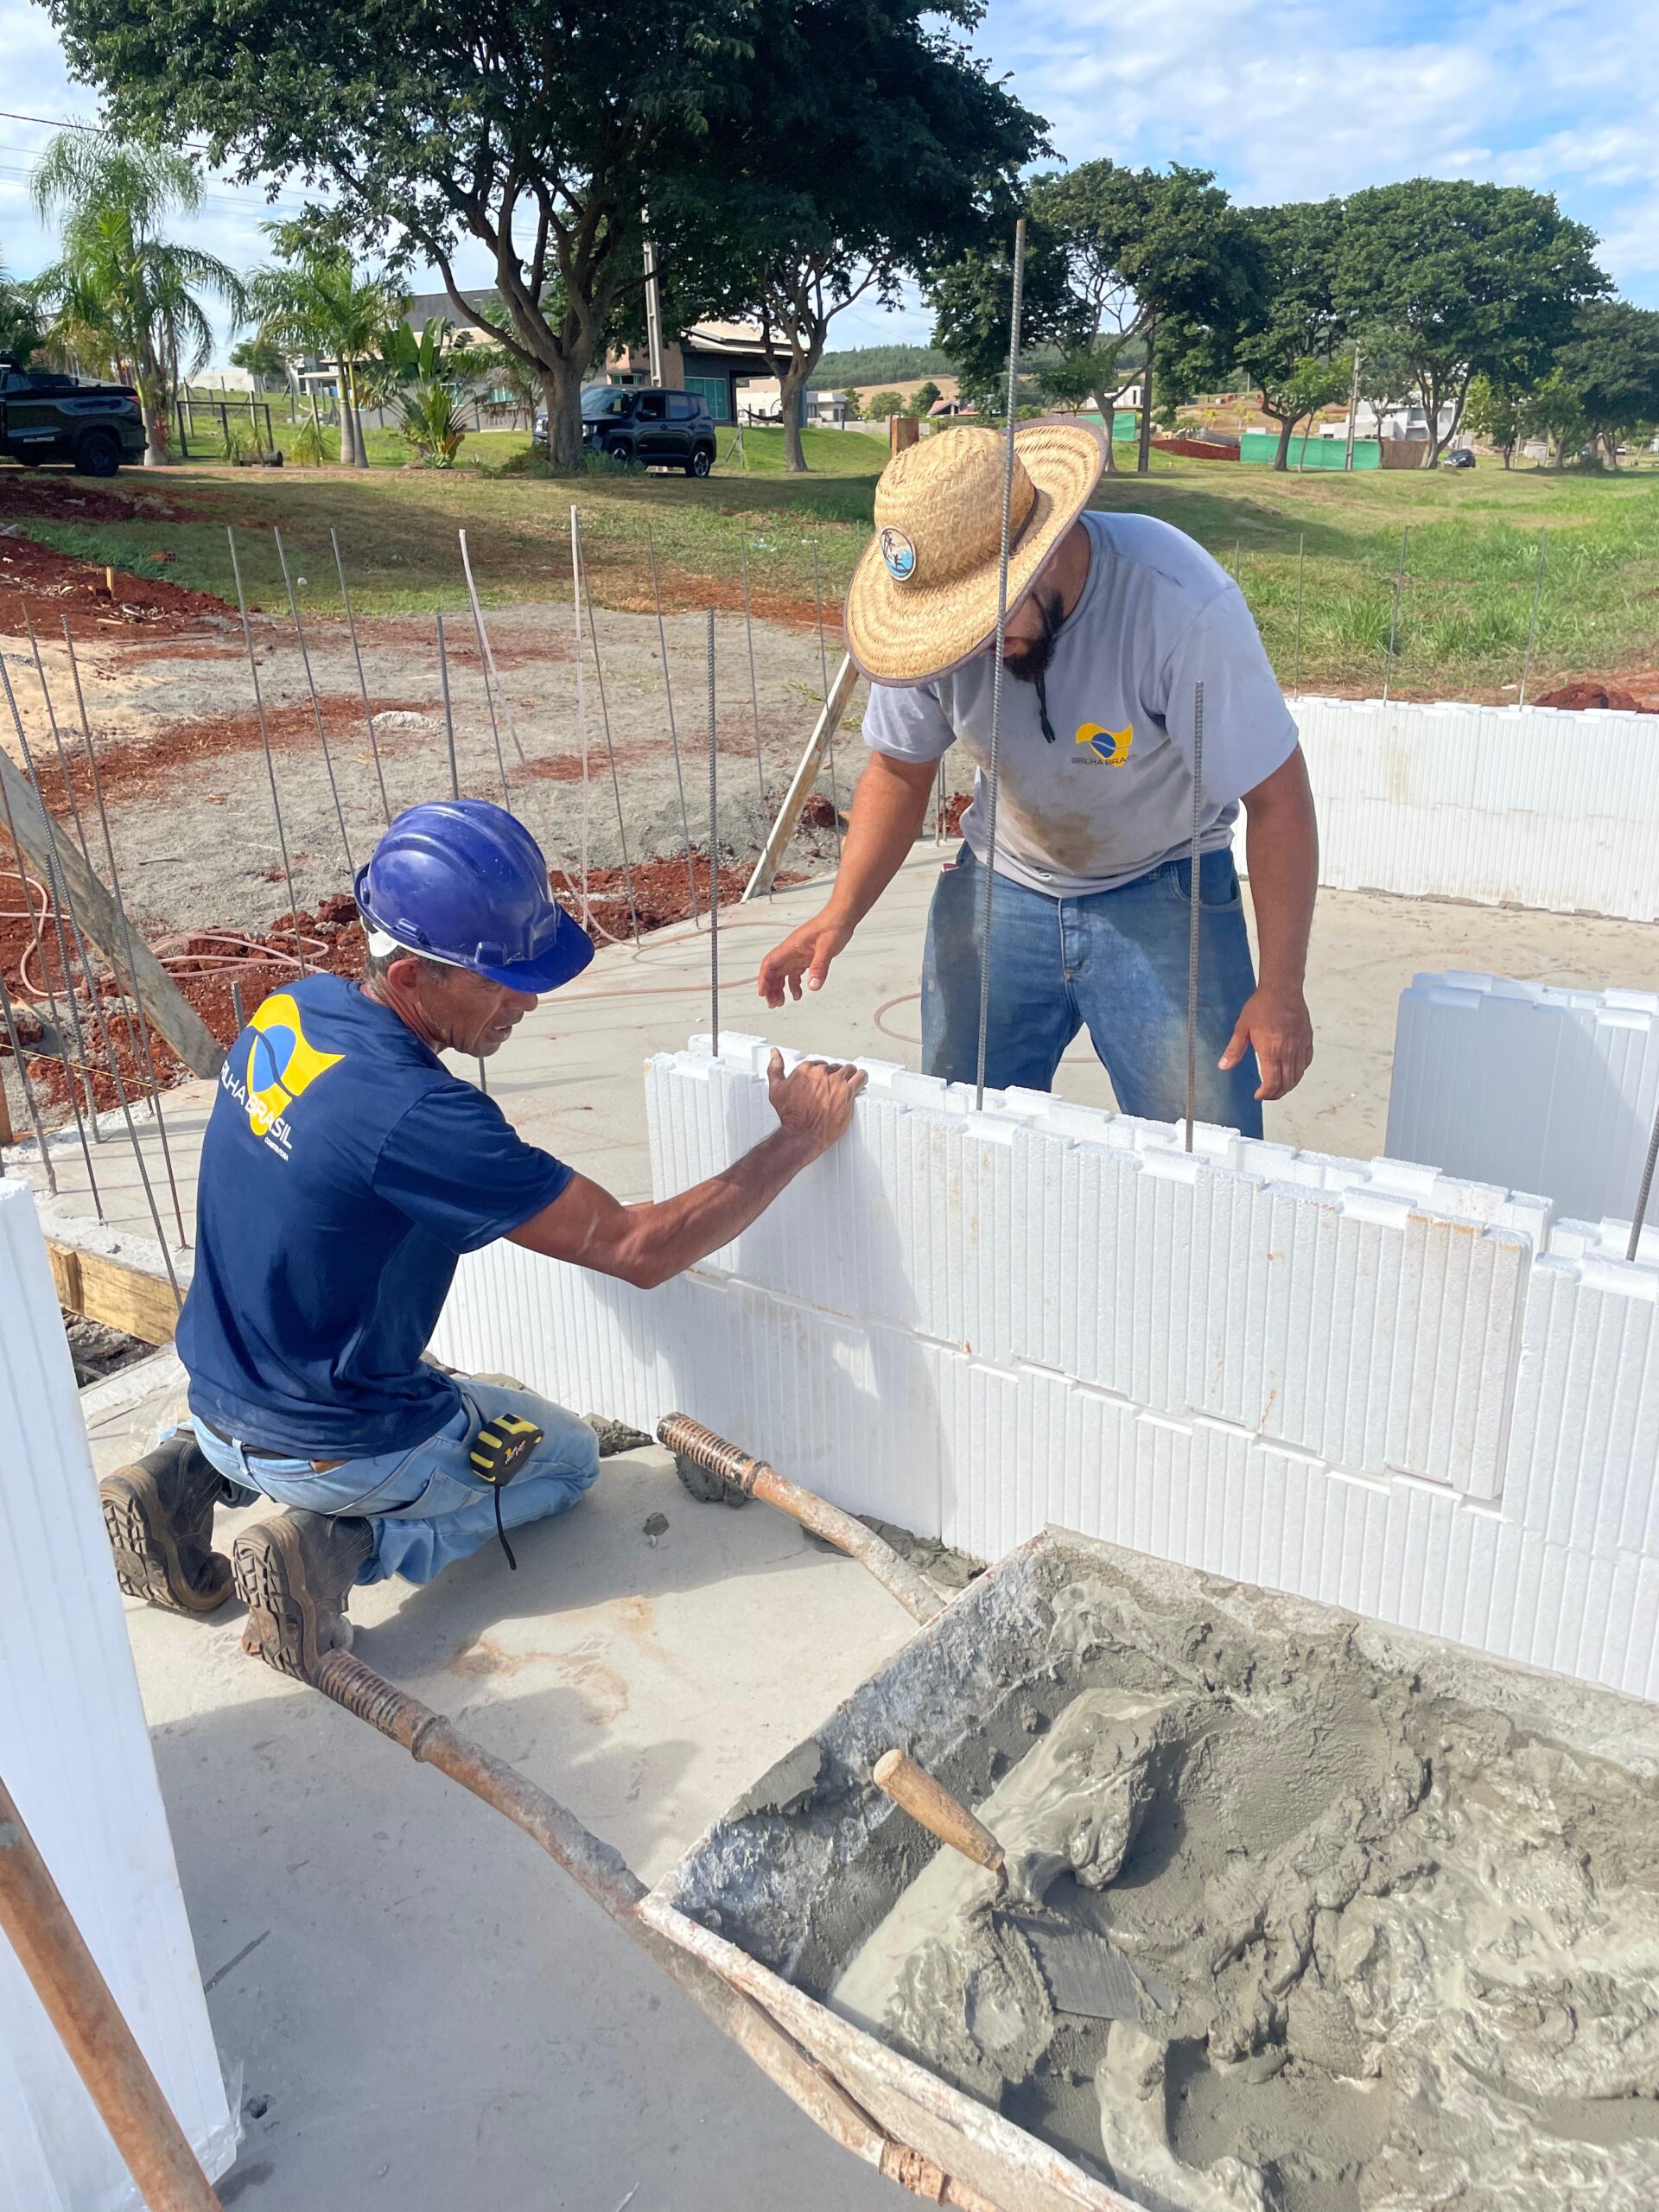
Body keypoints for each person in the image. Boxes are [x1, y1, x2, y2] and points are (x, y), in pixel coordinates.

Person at [99, 800, 865, 1679]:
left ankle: (183, 1474)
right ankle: (340, 1546)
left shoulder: (294, 1010)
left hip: (214, 1390)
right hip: (335, 1443)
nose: (527, 999)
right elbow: (638, 1249)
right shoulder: (422, 1117)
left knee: (403, 1390)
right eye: (498, 978)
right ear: (416, 977)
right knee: (568, 1461)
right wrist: (799, 1137)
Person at [758, 425, 1318, 1133]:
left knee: (1206, 1152)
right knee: (964, 1131)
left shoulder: (1177, 606)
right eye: (958, 631)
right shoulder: (931, 623)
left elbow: (1278, 799)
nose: (979, 649)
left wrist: (1281, 987)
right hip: (1004, 883)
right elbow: (900, 770)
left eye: (990, 618)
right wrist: (840, 911)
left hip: (1164, 882)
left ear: (1048, 549)